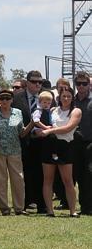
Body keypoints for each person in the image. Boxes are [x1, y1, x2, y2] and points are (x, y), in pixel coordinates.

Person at [35, 86, 81, 217]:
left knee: (68, 181)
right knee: (47, 179)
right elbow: (41, 123)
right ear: (59, 97)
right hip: (49, 145)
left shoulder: (76, 111)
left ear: (72, 98)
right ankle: (50, 211)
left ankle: (72, 210)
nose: (66, 98)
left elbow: (68, 128)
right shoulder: (53, 110)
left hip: (65, 146)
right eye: (63, 96)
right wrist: (38, 131)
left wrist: (49, 131)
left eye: (69, 96)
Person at [12, 70, 52, 213]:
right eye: (34, 82)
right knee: (25, 172)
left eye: (40, 82)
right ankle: (26, 202)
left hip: (43, 141)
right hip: (24, 140)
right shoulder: (16, 98)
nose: (37, 84)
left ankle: (42, 204)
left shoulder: (47, 96)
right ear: (27, 82)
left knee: (43, 173)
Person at [0, 89, 32, 215]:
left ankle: (19, 208)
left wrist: (32, 124)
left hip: (15, 151)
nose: (5, 101)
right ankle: (4, 208)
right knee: (1, 180)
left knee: (18, 179)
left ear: (12, 100)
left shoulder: (18, 113)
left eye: (8, 98)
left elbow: (22, 132)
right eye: (2, 98)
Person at [73, 72, 92, 215]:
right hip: (75, 143)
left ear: (89, 84)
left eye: (84, 83)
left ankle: (89, 206)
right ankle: (84, 206)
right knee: (79, 174)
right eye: (78, 83)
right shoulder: (71, 101)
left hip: (90, 142)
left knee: (89, 174)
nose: (81, 86)